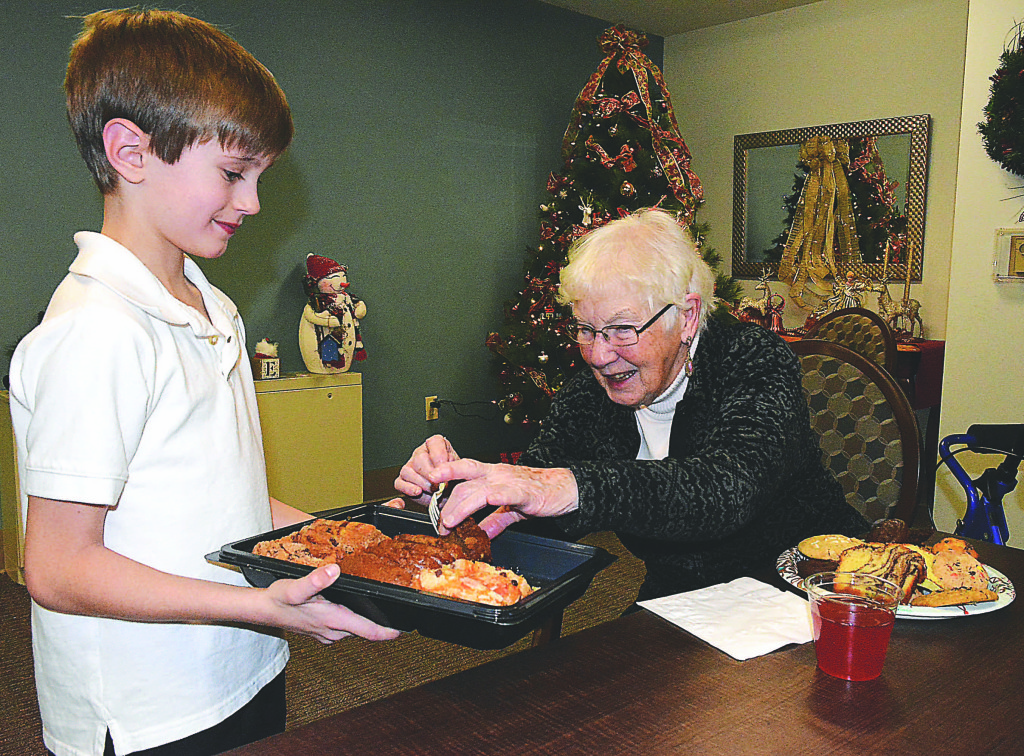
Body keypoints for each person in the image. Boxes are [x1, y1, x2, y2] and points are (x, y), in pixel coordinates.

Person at [8, 10, 398, 756]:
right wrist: (258, 608)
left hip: (242, 668)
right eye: (232, 173)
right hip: (149, 713)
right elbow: (57, 566)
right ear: (131, 152)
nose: (251, 203)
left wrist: (353, 540)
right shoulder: (97, 328)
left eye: (259, 177)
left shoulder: (210, 303)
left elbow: (224, 498)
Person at [396, 208, 869, 601]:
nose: (600, 355)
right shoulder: (589, 398)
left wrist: (572, 485)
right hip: (684, 601)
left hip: (818, 591)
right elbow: (529, 524)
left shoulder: (751, 359)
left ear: (688, 316)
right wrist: (443, 500)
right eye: (586, 329)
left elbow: (728, 488)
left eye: (624, 329)